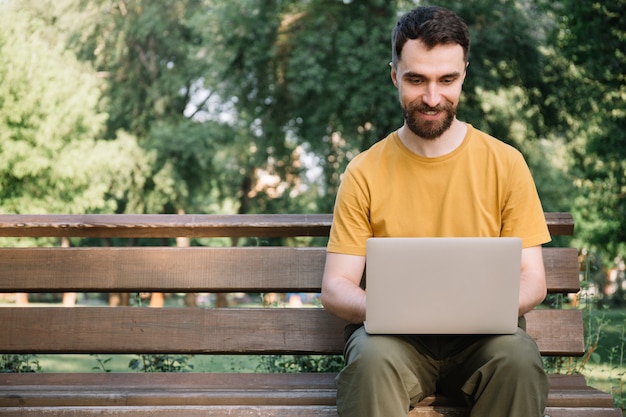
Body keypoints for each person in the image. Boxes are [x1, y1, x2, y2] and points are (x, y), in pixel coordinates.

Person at [320, 5, 550, 417]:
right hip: (394, 341)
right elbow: (336, 288)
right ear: (394, 75)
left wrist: (475, 309)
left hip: (485, 339)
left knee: (518, 358)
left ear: (464, 74)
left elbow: (533, 280)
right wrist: (399, 309)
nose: (432, 97)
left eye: (447, 80)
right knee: (370, 362)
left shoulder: (506, 163)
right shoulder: (364, 171)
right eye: (415, 79)